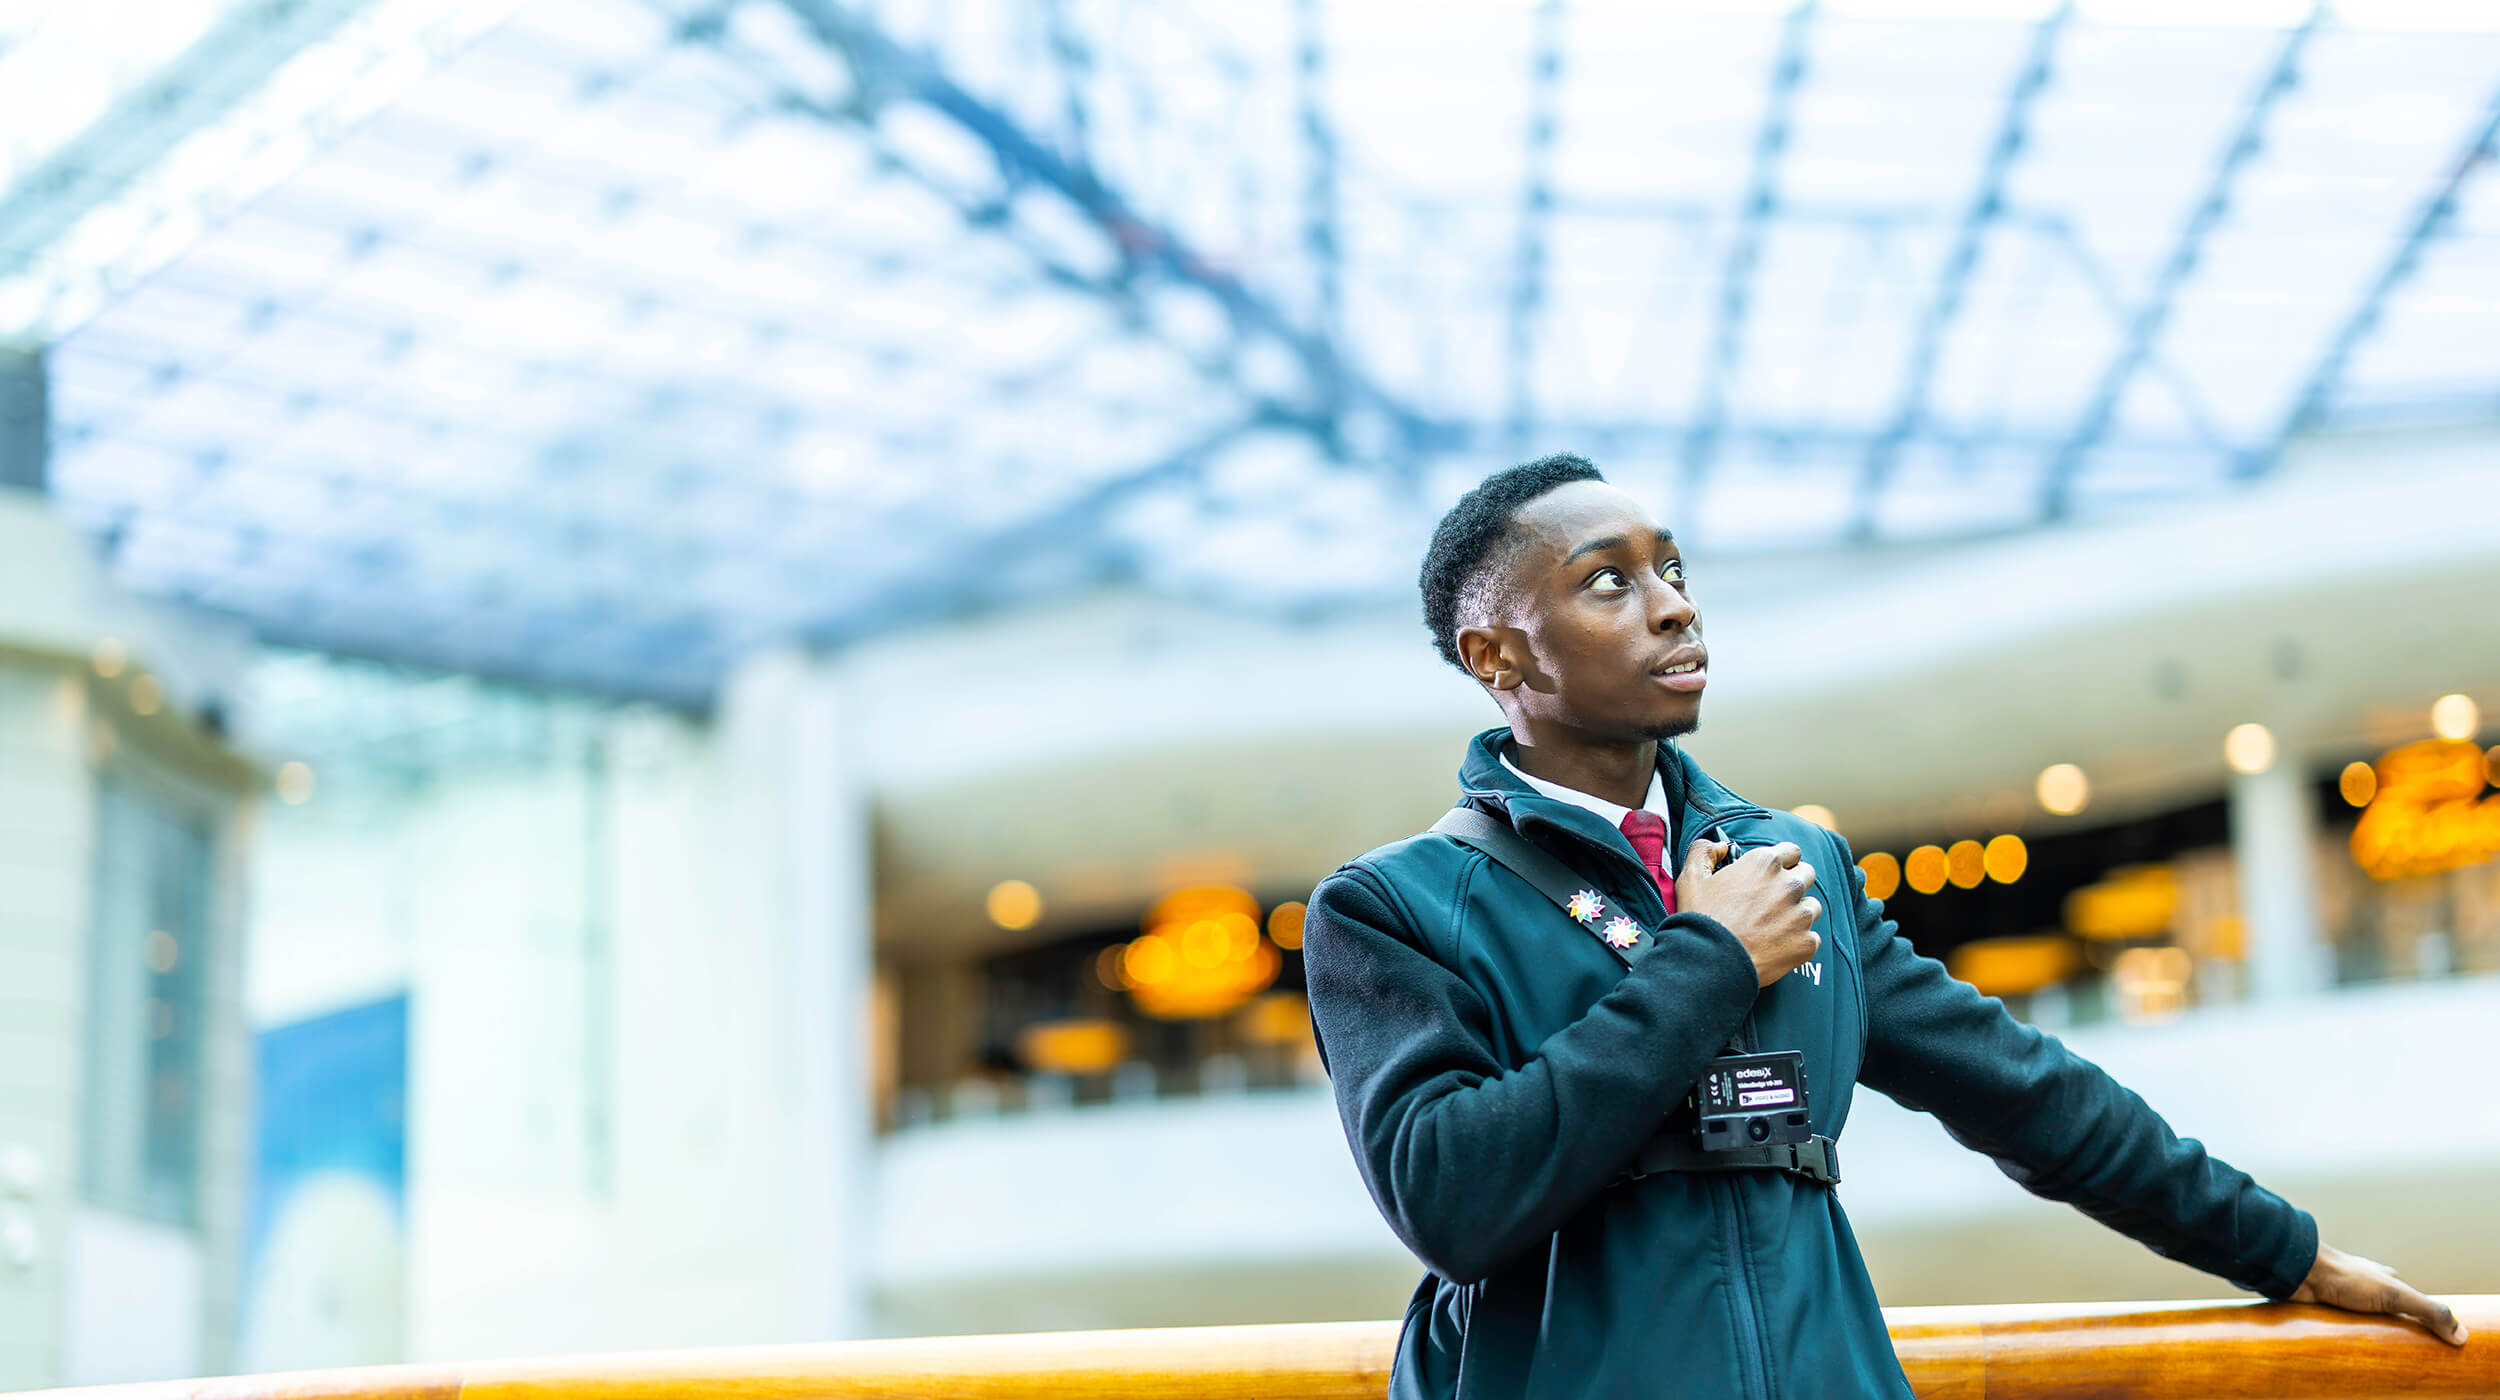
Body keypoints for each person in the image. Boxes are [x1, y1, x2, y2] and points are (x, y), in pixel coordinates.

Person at [1300, 455, 2466, 1400]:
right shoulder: (1391, 905)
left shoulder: (1791, 862)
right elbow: (1450, 1198)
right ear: (1496, 655)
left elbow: (2027, 1092)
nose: (1673, 603)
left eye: (1673, 567)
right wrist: (1704, 961)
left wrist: (2286, 1251)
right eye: (1607, 580)